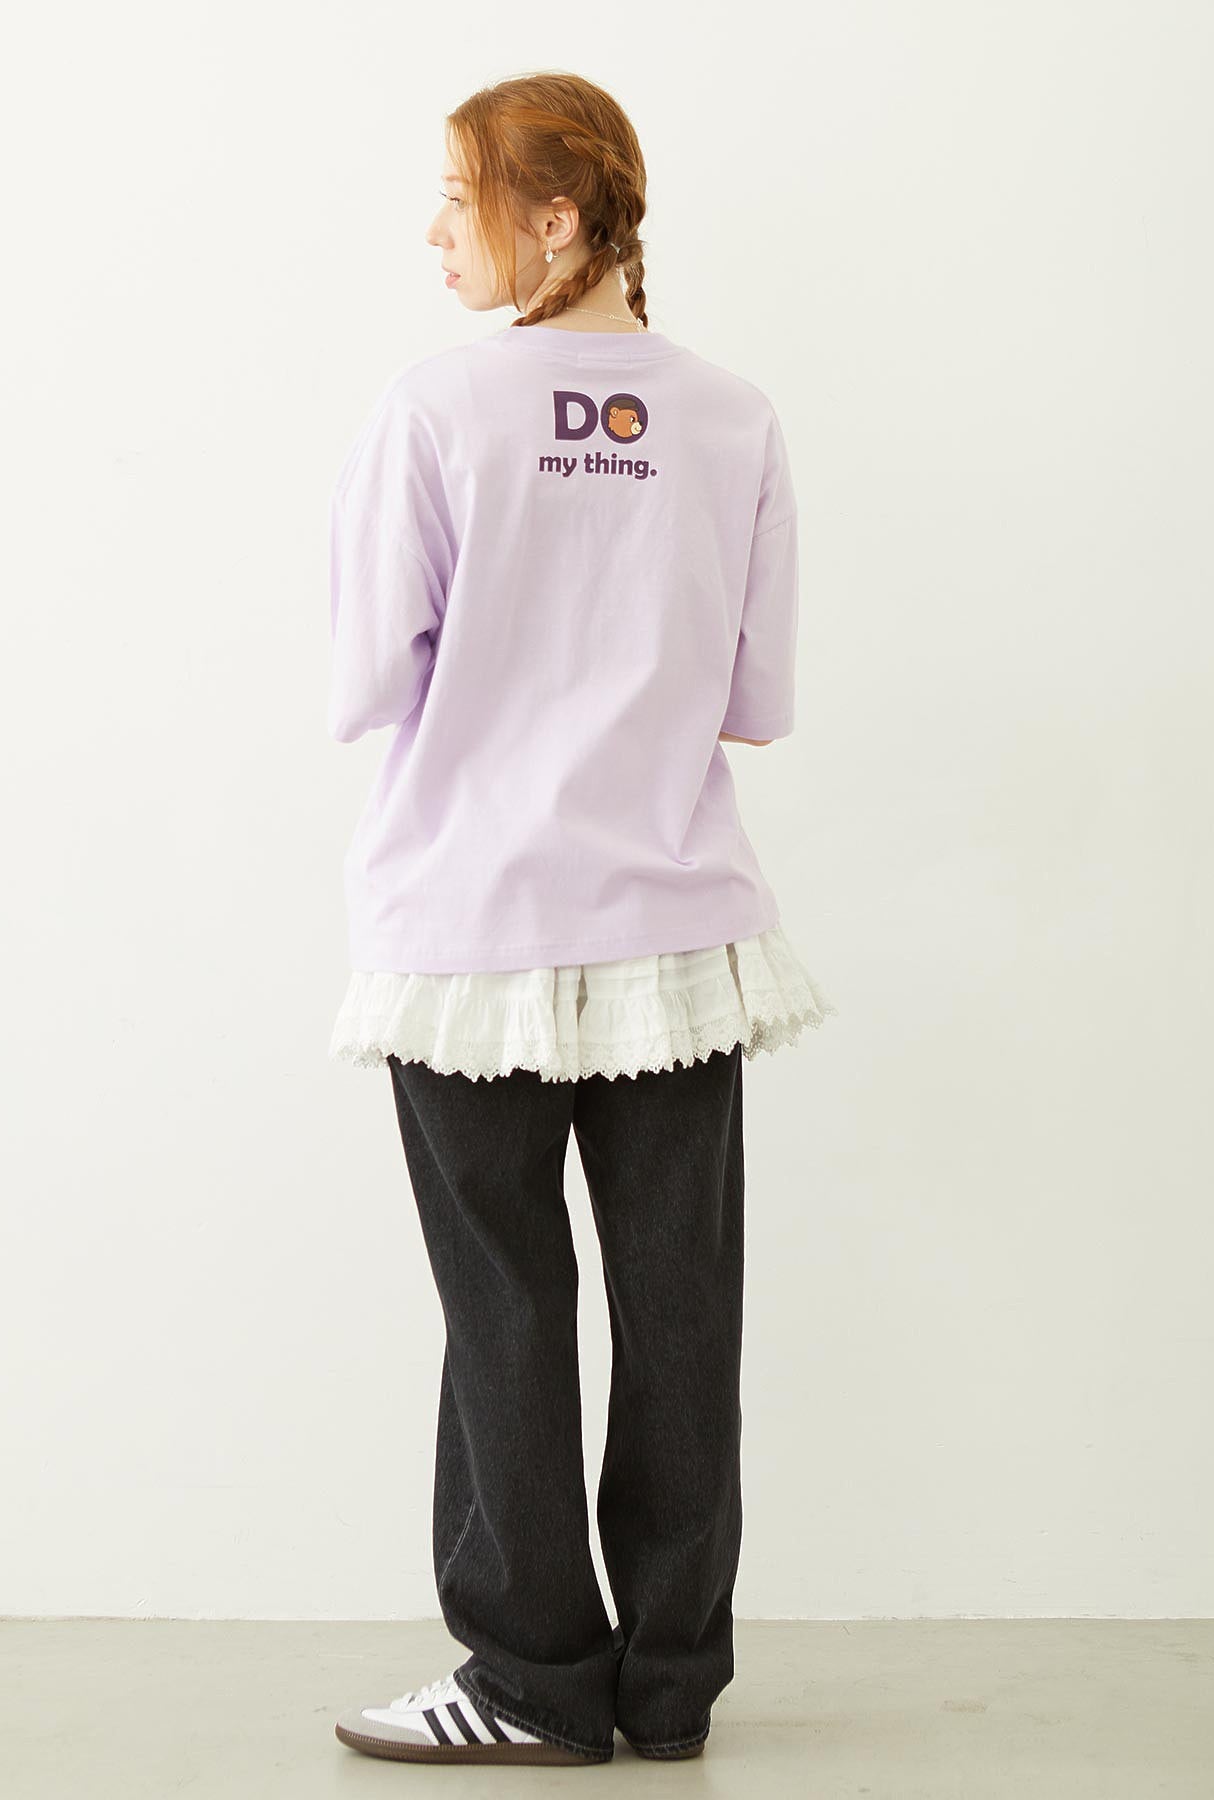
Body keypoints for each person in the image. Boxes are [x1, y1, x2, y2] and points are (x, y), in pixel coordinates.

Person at [329, 71, 837, 1768]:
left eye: (455, 196)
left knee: (505, 1305)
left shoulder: (434, 411)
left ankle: (532, 1681)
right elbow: (757, 703)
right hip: (675, 935)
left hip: (469, 931)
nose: (432, 233)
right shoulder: (735, 419)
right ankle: (670, 1687)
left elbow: (365, 674)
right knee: (683, 1310)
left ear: (553, 218)